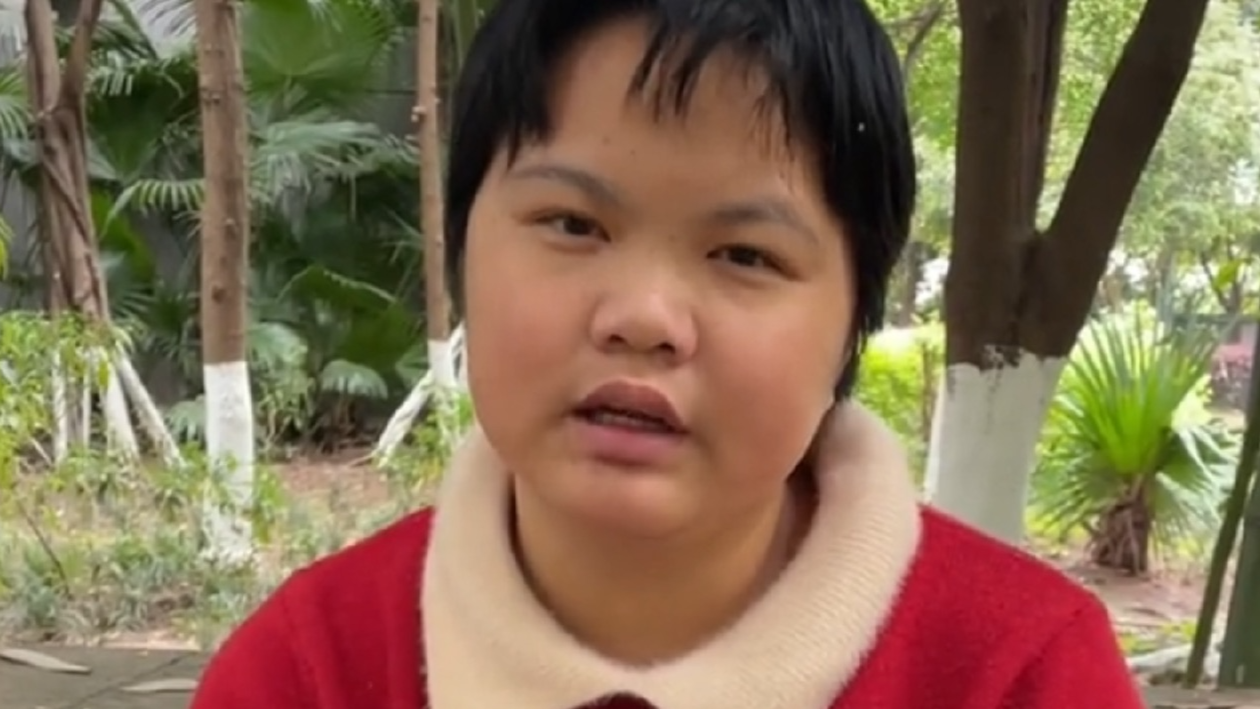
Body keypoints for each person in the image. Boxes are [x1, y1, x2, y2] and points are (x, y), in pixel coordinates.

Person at [189, 1, 1146, 707]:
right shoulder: (306, 674)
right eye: (572, 223)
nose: (644, 318)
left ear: (852, 318)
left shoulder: (1023, 675)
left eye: (746, 255)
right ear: (462, 248)